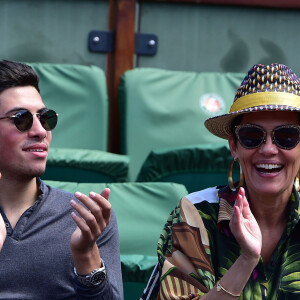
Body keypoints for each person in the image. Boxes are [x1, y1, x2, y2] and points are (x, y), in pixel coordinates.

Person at [141, 63, 300, 299]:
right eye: (251, 136)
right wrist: (245, 261)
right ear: (234, 146)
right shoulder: (195, 214)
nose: (268, 149)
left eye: (287, 136)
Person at [0, 60, 123, 299]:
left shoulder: (87, 220)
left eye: (45, 118)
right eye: (21, 119)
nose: (40, 131)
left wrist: (86, 258)